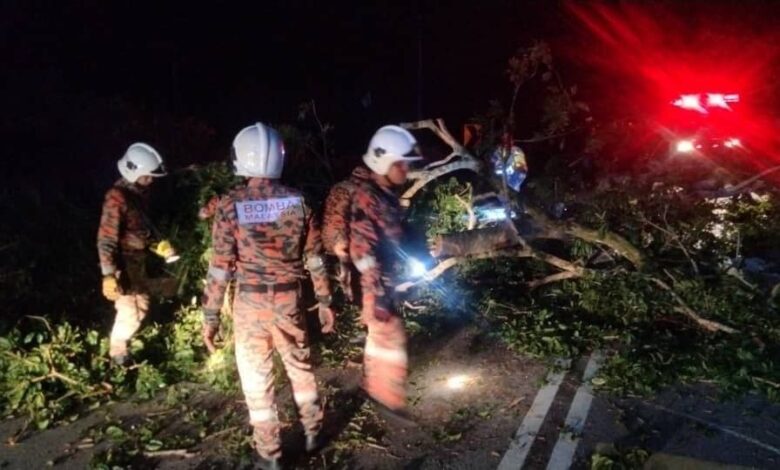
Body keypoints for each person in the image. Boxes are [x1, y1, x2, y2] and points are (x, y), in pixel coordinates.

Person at [201, 123, 335, 469]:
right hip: (289, 300)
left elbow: (220, 268)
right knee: (300, 368)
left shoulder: (230, 205)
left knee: (257, 380)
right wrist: (324, 301)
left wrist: (211, 316)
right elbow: (315, 258)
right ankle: (313, 433)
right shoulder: (299, 202)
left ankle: (269, 455)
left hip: (250, 304)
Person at [349, 125, 422, 423]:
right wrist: (376, 294)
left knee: (379, 337)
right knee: (389, 335)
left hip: (384, 280)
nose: (406, 169)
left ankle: (374, 388)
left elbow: (392, 237)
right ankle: (388, 399)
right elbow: (361, 251)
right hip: (376, 283)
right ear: (384, 163)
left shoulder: (384, 195)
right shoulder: (369, 198)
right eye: (401, 163)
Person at [98, 142, 170, 366]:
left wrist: (156, 246)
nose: (151, 180)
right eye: (147, 176)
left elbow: (139, 231)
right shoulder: (116, 197)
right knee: (129, 312)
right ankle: (118, 356)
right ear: (134, 171)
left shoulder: (138, 196)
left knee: (142, 307)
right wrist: (109, 273)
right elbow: (106, 238)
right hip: (122, 264)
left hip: (137, 262)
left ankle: (122, 351)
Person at [322, 165, 371, 301]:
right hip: (344, 240)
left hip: (328, 240)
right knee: (350, 274)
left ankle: (343, 296)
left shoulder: (338, 187)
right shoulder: (358, 192)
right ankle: (351, 298)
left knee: (342, 272)